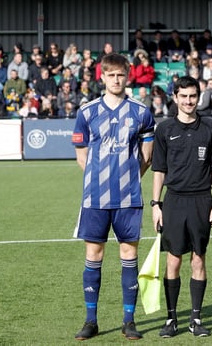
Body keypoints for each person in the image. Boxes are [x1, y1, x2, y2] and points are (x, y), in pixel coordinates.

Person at [71, 53, 155, 341]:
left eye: (121, 75)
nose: (116, 80)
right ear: (102, 76)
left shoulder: (141, 112)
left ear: (128, 75)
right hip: (95, 199)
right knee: (93, 255)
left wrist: (129, 178)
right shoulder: (87, 112)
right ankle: (91, 320)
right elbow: (82, 157)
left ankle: (128, 321)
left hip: (129, 198)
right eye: (111, 75)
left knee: (129, 256)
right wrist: (100, 178)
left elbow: (146, 156)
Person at [150, 76, 212, 338]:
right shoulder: (165, 129)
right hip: (174, 201)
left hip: (202, 200)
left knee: (199, 259)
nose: (189, 101)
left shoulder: (210, 127)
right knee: (173, 260)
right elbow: (159, 170)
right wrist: (156, 204)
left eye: (193, 96)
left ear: (198, 97)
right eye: (184, 96)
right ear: (175, 97)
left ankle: (196, 319)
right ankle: (171, 320)